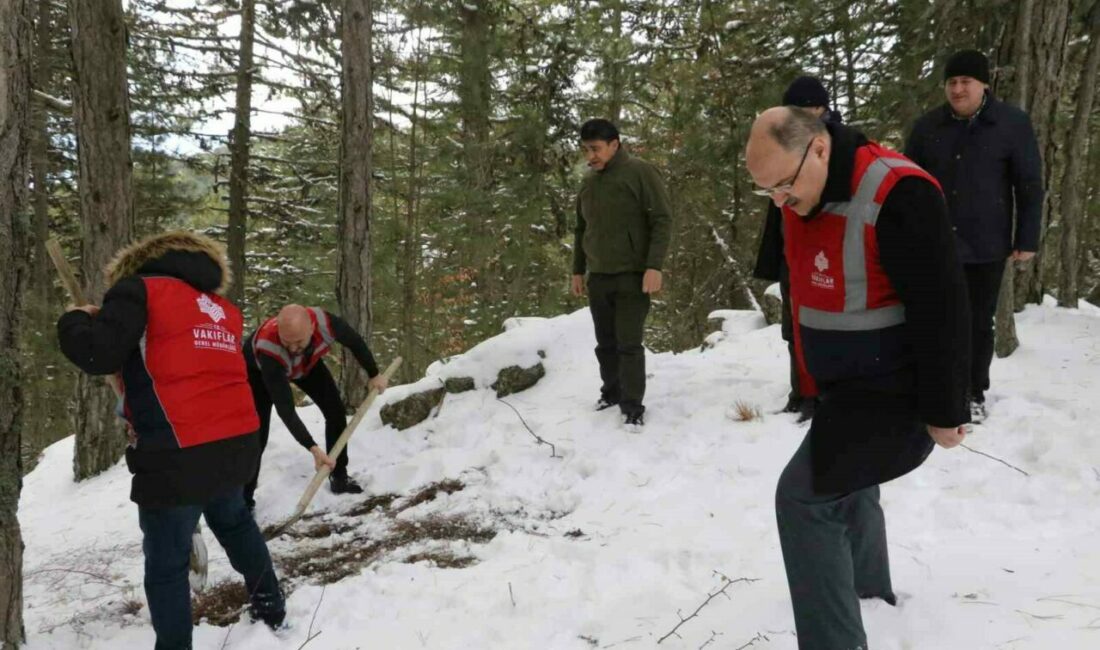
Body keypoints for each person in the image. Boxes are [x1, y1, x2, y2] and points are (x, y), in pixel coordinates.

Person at [745, 107, 971, 650]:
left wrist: (946, 409)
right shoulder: (801, 187)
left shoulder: (898, 192)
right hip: (843, 386)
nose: (779, 201)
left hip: (895, 390)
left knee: (803, 498)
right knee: (848, 480)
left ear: (819, 149)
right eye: (765, 191)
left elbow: (943, 307)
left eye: (782, 185)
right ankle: (870, 594)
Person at [57, 231, 285, 649]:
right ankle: (272, 608)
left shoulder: (137, 290)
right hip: (236, 442)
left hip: (178, 451)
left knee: (167, 561)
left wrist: (75, 319)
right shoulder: (221, 308)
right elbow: (178, 367)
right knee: (235, 524)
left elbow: (99, 354)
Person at [905, 49, 1043, 422]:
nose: (958, 89)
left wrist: (1027, 238)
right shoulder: (927, 127)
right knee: (936, 320)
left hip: (986, 243)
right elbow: (906, 185)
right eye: (952, 82)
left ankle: (973, 392)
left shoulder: (1011, 124)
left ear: (984, 84)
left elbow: (1029, 184)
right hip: (936, 244)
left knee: (978, 323)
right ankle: (934, 389)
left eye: (966, 81)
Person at [570, 118, 673, 431]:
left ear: (614, 144)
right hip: (599, 276)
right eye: (586, 150)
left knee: (628, 344)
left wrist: (654, 266)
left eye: (596, 149)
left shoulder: (640, 172)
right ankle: (611, 392)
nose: (590, 156)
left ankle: (632, 407)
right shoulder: (589, 182)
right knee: (605, 344)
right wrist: (578, 269)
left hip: (633, 274)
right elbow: (581, 228)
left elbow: (662, 220)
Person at [753, 75, 842, 423]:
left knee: (827, 325)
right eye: (794, 111)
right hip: (793, 249)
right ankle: (801, 392)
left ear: (822, 109)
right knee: (795, 326)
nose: (800, 117)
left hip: (827, 250)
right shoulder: (784, 142)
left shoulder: (837, 144)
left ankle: (826, 394)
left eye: (806, 110)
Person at [243, 304, 388, 509]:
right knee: (258, 436)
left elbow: (355, 342)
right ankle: (244, 502)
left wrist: (374, 374)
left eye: (298, 341)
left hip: (306, 364)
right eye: (287, 342)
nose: (293, 348)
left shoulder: (326, 323)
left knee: (335, 411)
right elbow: (286, 410)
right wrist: (311, 447)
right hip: (260, 373)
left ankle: (339, 477)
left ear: (312, 328)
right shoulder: (270, 348)